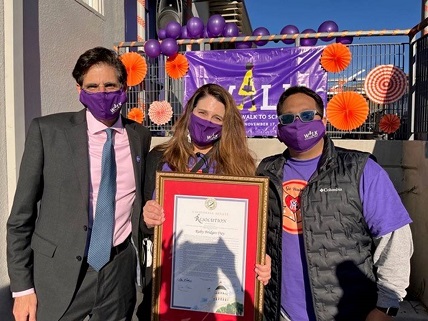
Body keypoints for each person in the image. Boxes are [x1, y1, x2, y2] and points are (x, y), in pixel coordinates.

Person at [6, 46, 151, 321]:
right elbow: (20, 218)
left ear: (124, 87)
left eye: (110, 85)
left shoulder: (139, 136)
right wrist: (22, 287)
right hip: (58, 275)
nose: (102, 93)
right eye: (92, 86)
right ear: (79, 89)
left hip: (117, 273)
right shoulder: (47, 132)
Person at [257, 86, 413, 321]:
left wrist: (386, 307)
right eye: (288, 118)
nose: (298, 123)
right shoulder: (266, 172)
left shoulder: (360, 169)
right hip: (279, 312)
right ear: (279, 127)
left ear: (324, 119)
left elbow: (395, 240)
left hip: (347, 312)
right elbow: (259, 233)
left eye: (308, 115)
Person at [137, 83, 271, 319]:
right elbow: (143, 228)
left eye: (217, 118)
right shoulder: (159, 159)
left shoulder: (240, 169)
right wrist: (147, 218)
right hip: (170, 280)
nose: (208, 121)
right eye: (202, 113)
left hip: (220, 289)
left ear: (226, 126)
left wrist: (260, 259)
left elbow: (251, 233)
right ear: (189, 112)